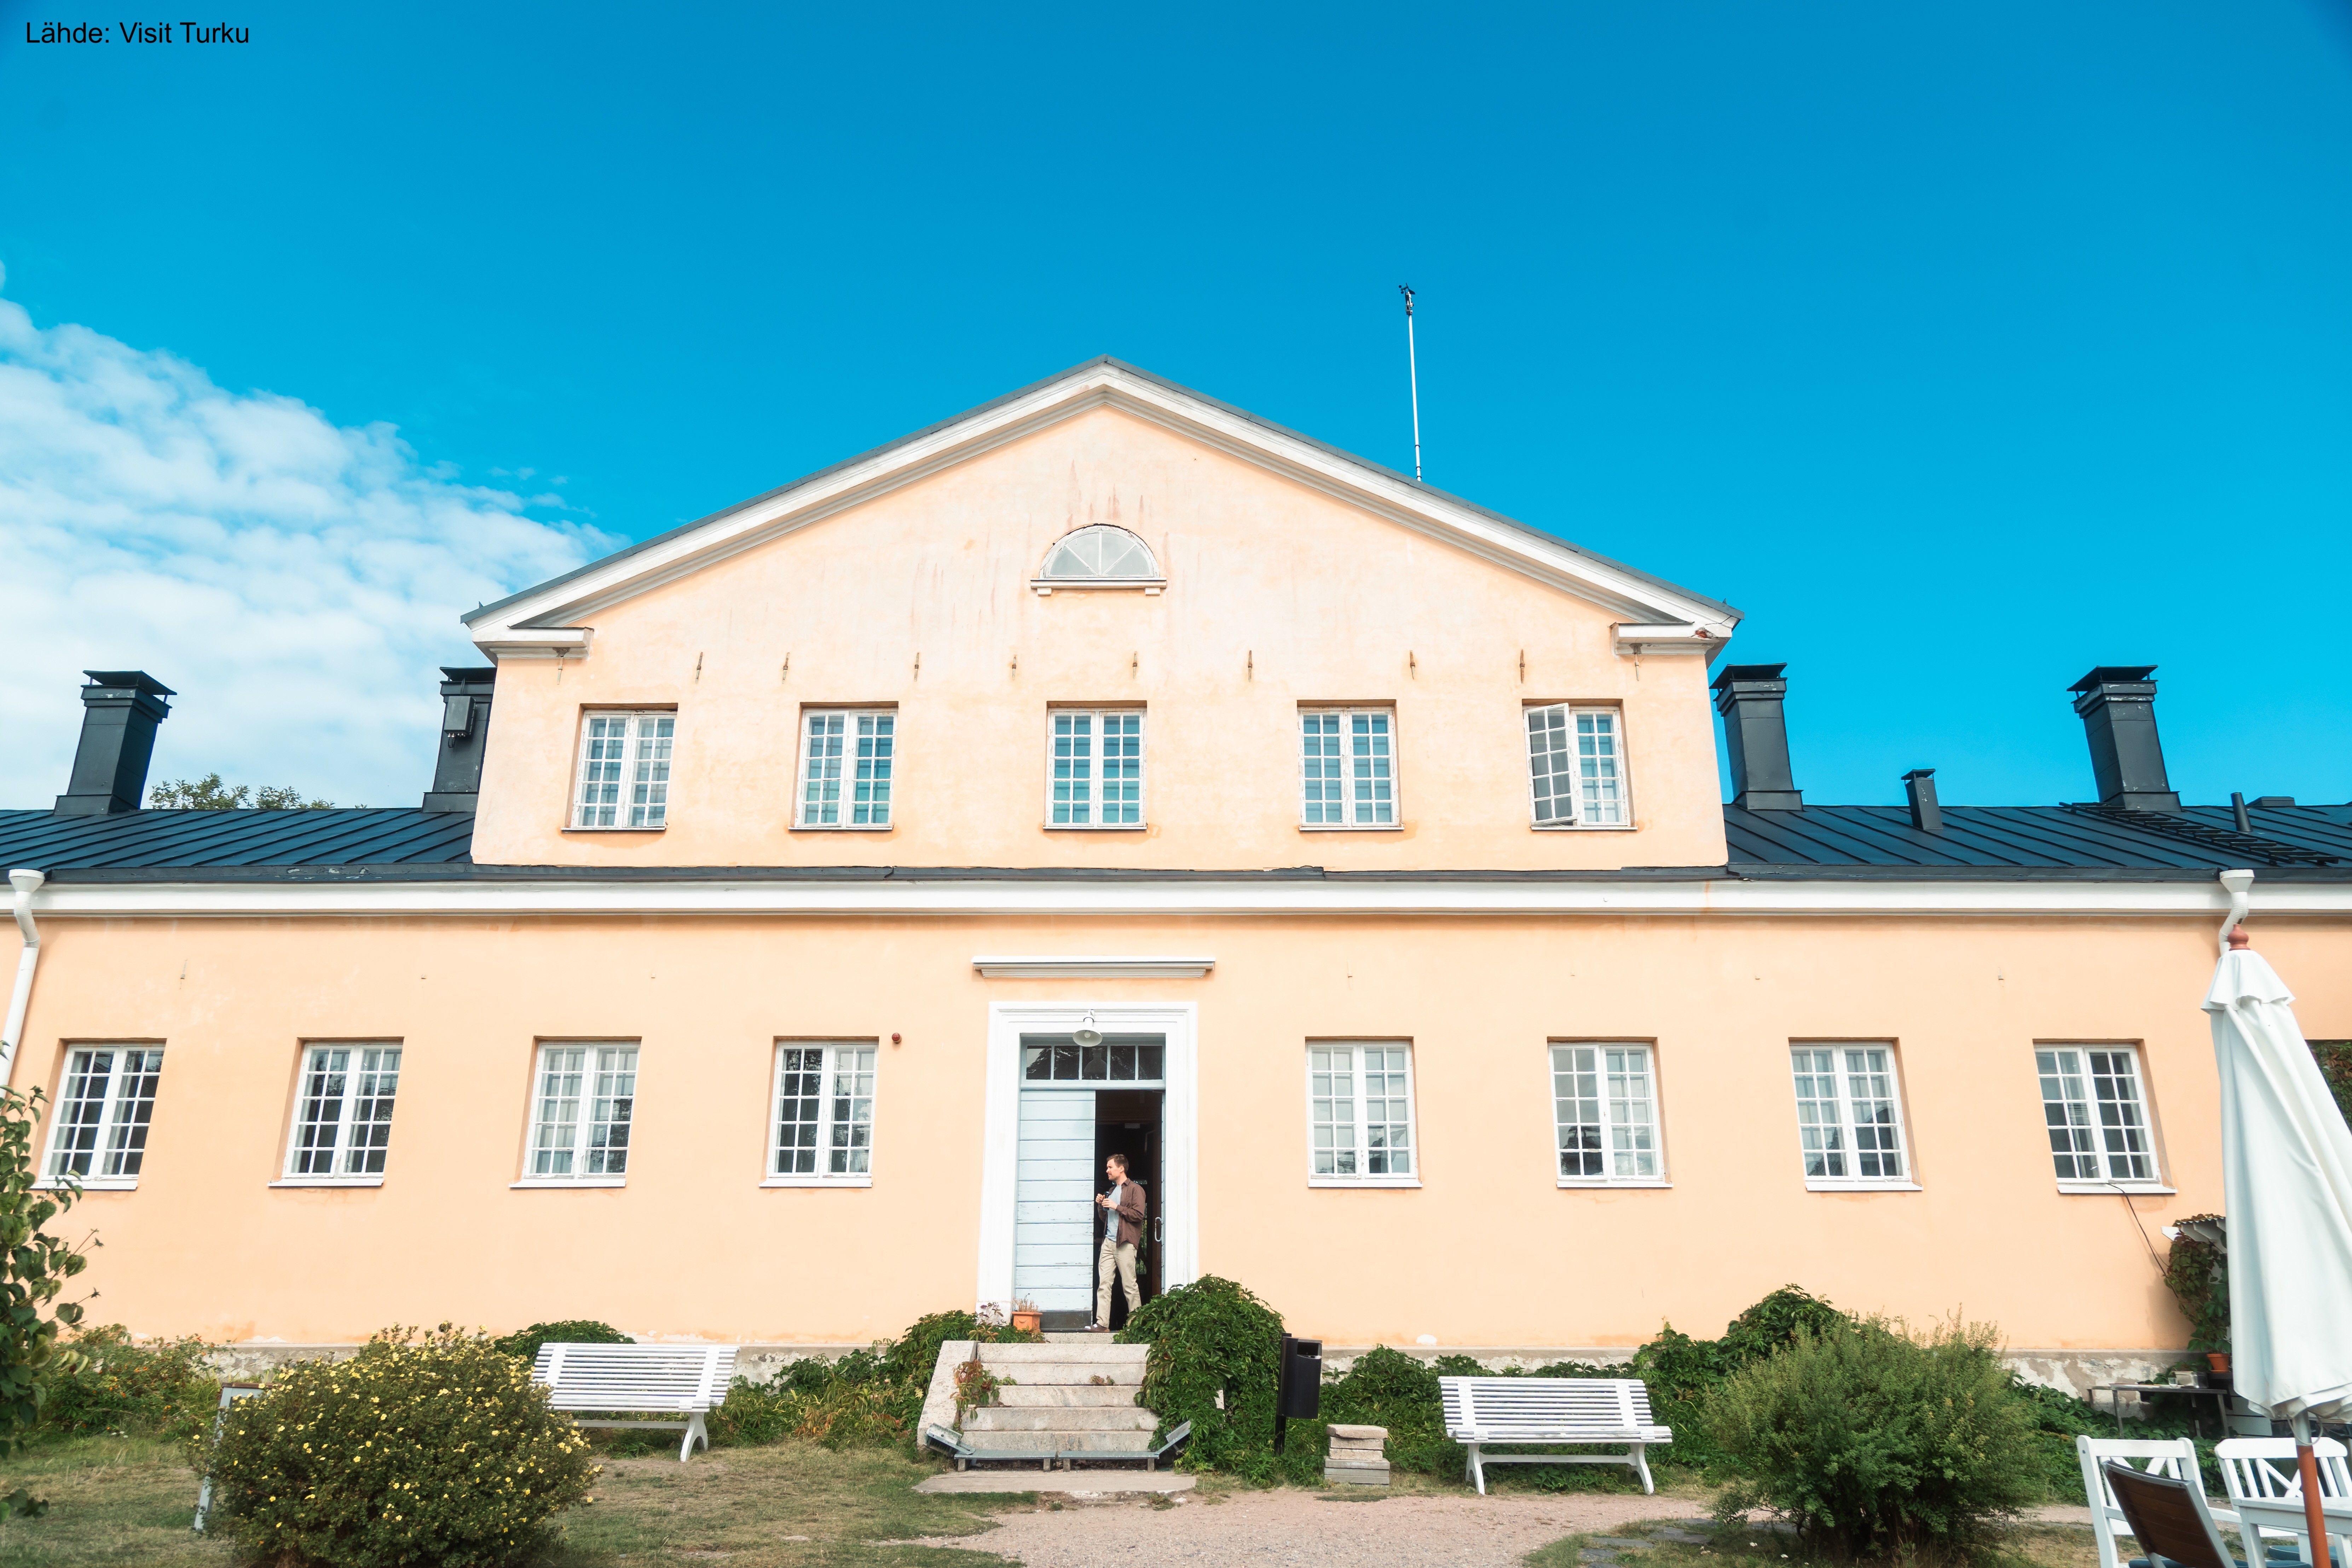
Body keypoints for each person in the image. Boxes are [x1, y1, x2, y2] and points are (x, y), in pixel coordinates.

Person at [1089, 1152, 1146, 1331]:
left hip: (1125, 1243)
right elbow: (1105, 1218)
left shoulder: (1136, 1189)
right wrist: (1101, 1205)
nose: (1107, 1171)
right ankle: (1102, 1324)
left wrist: (1116, 1207)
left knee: (1129, 1285)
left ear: (1121, 1169)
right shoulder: (1112, 1191)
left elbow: (1138, 1215)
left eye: (1110, 1167)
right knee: (1104, 1284)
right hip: (1108, 1242)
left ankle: (1136, 1326)